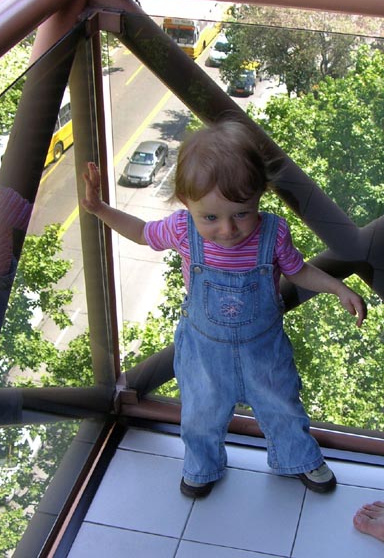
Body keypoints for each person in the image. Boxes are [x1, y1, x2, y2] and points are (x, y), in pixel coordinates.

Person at [81, 120, 367, 498]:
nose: (228, 230)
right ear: (187, 203)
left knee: (283, 406)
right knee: (200, 413)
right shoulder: (181, 229)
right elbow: (141, 232)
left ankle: (297, 458)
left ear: (260, 196)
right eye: (211, 218)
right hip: (204, 351)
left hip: (263, 349)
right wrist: (99, 208)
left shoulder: (273, 233)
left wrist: (336, 287)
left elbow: (297, 270)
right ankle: (202, 465)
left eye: (242, 213)